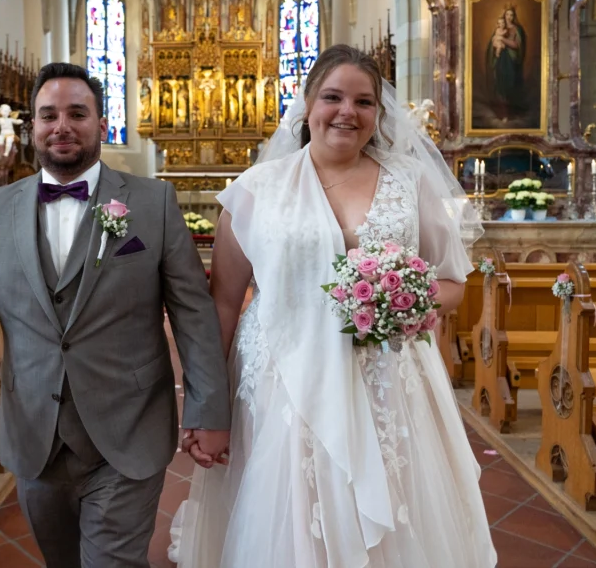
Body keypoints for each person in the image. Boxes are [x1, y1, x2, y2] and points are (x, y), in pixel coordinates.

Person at [0, 62, 232, 568]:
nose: (62, 126)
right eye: (48, 115)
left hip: (129, 428)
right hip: (33, 435)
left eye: (77, 113)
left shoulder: (153, 202)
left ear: (100, 122)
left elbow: (193, 313)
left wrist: (208, 409)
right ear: (33, 126)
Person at [169, 45, 496, 568]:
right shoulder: (255, 191)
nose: (348, 111)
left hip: (387, 377)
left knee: (394, 505)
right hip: (281, 376)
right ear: (306, 104)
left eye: (364, 102)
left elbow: (453, 282)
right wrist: (205, 405)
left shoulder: (410, 183)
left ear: (378, 114)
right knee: (290, 509)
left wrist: (406, 297)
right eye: (333, 97)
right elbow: (225, 303)